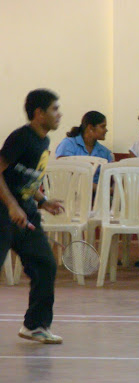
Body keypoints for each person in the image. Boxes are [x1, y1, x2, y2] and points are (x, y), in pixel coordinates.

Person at [0, 89, 66, 344]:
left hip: (25, 212)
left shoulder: (43, 141)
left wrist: (43, 201)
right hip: (3, 212)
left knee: (45, 265)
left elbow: (26, 177)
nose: (59, 114)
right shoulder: (21, 138)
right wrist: (11, 205)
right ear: (39, 113)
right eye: (54, 109)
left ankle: (35, 325)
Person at [55, 111, 114, 190]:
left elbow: (112, 176)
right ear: (90, 128)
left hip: (96, 195)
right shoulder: (68, 144)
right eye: (102, 126)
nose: (106, 130)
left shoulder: (105, 152)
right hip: (69, 192)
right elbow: (63, 173)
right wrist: (98, 188)